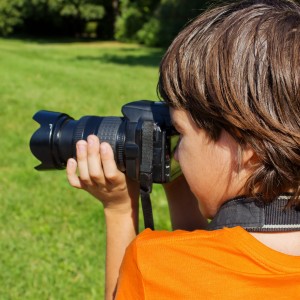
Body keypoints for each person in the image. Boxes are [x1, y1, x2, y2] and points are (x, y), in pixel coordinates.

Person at [66, 0, 300, 299]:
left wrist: (119, 209)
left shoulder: (155, 265)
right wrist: (179, 187)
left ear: (248, 148)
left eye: (182, 134)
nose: (176, 153)